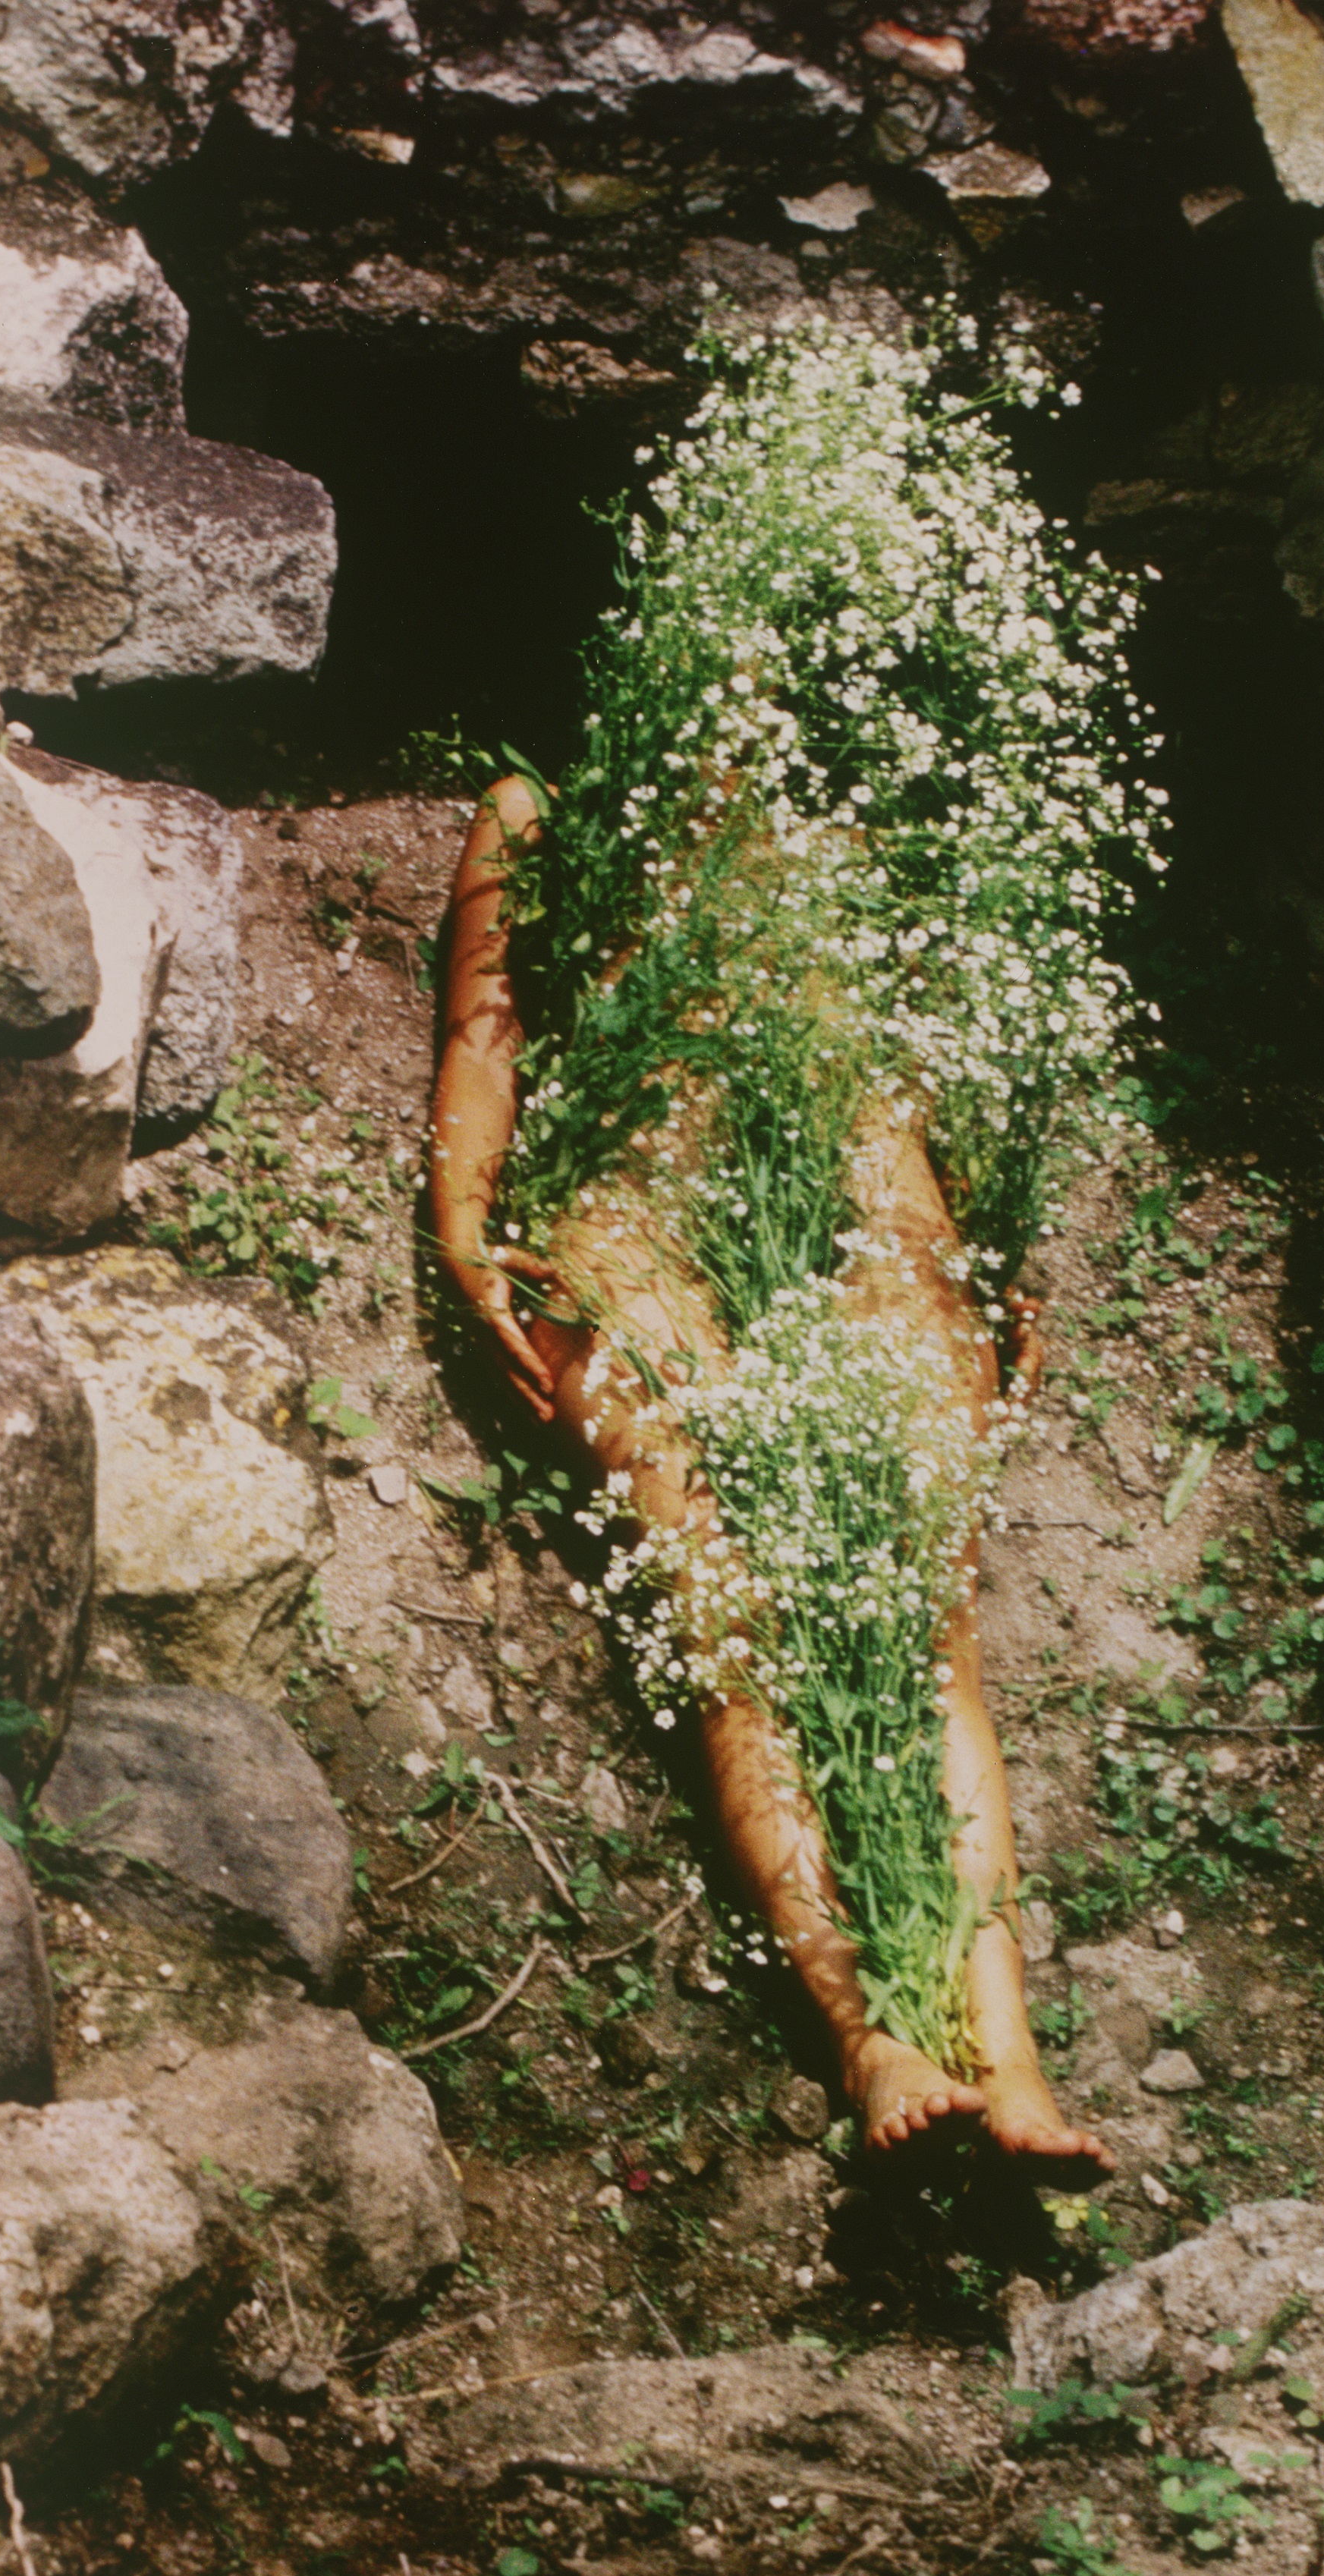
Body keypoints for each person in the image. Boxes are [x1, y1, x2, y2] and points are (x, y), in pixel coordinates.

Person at [429, 770, 1115, 2181]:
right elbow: (483, 1031)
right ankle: (874, 2037)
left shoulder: (880, 797)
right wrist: (460, 1222)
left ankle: (1010, 2042)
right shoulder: (543, 809)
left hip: (876, 1215)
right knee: (731, 1615)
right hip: (636, 1227)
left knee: (927, 1623)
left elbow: (957, 1047)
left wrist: (988, 1260)